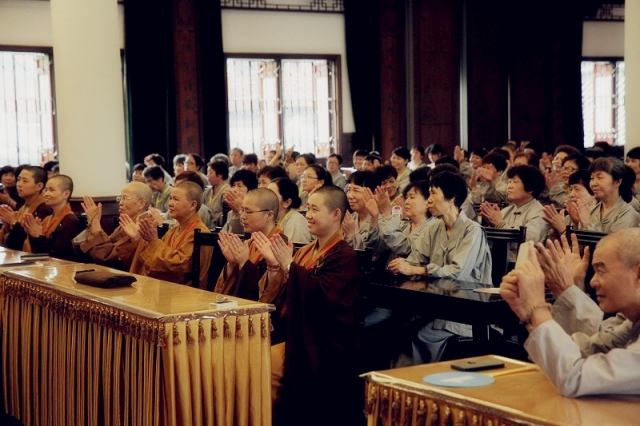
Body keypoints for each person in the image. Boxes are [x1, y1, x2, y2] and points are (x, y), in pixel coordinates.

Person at [252, 185, 362, 426]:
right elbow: (285, 293)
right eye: (308, 209)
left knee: (263, 366)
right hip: (293, 330)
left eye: (314, 209)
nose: (308, 215)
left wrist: (288, 266)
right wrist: (275, 265)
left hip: (318, 340)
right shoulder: (306, 251)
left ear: (335, 214)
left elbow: (324, 299)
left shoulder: (344, 256)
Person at [500, 228, 640, 397]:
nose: (593, 282)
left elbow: (575, 377)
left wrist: (538, 308)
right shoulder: (631, 323)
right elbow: (586, 349)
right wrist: (527, 313)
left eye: (601, 271)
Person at [387, 171, 492, 364]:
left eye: (433, 193)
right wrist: (402, 265)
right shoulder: (435, 228)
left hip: (465, 311)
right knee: (395, 329)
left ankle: (418, 379)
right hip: (437, 306)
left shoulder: (473, 231)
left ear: (451, 198)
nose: (429, 200)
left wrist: (416, 270)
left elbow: (457, 272)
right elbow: (416, 258)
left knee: (419, 336)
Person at [118, 181, 212, 286]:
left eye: (176, 199)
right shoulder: (173, 231)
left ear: (192, 205)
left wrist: (153, 241)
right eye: (170, 198)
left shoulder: (200, 233)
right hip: (166, 286)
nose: (170, 203)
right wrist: (138, 239)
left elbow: (179, 270)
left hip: (187, 291)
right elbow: (154, 263)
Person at [214, 188, 284, 301]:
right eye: (242, 210)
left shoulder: (282, 246)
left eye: (248, 212)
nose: (242, 216)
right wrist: (232, 264)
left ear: (269, 215)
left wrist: (244, 263)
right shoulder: (249, 243)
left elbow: (271, 293)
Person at [78, 182, 152, 271]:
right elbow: (108, 246)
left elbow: (110, 259)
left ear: (141, 204)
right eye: (120, 198)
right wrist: (93, 224)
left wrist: (95, 225)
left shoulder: (143, 228)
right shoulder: (125, 225)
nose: (120, 203)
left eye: (125, 198)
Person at [480, 165, 549, 249]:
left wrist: (500, 224)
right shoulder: (506, 211)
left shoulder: (540, 213)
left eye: (515, 182)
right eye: (509, 182)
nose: (509, 186)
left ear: (530, 188)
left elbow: (529, 240)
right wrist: (492, 225)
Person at [23, 175, 82, 261]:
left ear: (66, 194)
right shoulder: (48, 218)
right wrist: (32, 234)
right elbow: (38, 251)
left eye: (51, 190)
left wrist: (38, 236)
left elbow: (59, 256)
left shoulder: (70, 221)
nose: (46, 194)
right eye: (46, 190)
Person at [578, 157, 640, 233]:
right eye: (592, 178)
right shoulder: (590, 211)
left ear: (617, 181)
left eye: (599, 177)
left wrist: (588, 224)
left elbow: (614, 240)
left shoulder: (628, 214)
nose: (593, 183)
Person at [0, 166, 52, 250]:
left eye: (25, 181)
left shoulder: (45, 209)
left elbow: (33, 242)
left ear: (39, 186)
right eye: (18, 180)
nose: (19, 184)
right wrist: (7, 226)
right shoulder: (24, 207)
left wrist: (13, 223)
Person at [542, 170, 597, 239]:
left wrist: (562, 229)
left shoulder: (598, 216)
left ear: (593, 192)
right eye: (570, 189)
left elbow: (587, 243)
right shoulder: (568, 216)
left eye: (577, 189)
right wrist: (555, 232)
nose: (571, 194)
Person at [342, 171, 382, 257]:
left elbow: (373, 255)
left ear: (373, 193)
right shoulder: (350, 218)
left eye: (356, 190)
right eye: (348, 190)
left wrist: (351, 236)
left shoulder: (382, 221)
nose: (350, 196)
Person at [267, 178, 311, 244]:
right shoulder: (271, 218)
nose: (266, 198)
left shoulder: (295, 220)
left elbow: (294, 250)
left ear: (287, 202)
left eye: (272, 195)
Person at [221, 169, 258, 234]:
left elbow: (245, 234)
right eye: (233, 185)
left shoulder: (255, 212)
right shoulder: (231, 212)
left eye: (239, 185)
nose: (234, 190)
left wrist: (239, 210)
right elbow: (224, 234)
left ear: (250, 191)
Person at [203, 160, 230, 228]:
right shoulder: (207, 191)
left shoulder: (227, 191)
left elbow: (226, 216)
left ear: (220, 175)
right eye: (207, 172)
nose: (207, 175)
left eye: (210, 173)